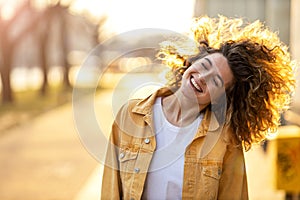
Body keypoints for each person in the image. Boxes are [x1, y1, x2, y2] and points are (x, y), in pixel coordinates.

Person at [101, 16, 297, 200]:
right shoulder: (131, 115)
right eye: (205, 66)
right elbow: (110, 191)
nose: (202, 77)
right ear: (190, 63)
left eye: (216, 81)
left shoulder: (226, 140)